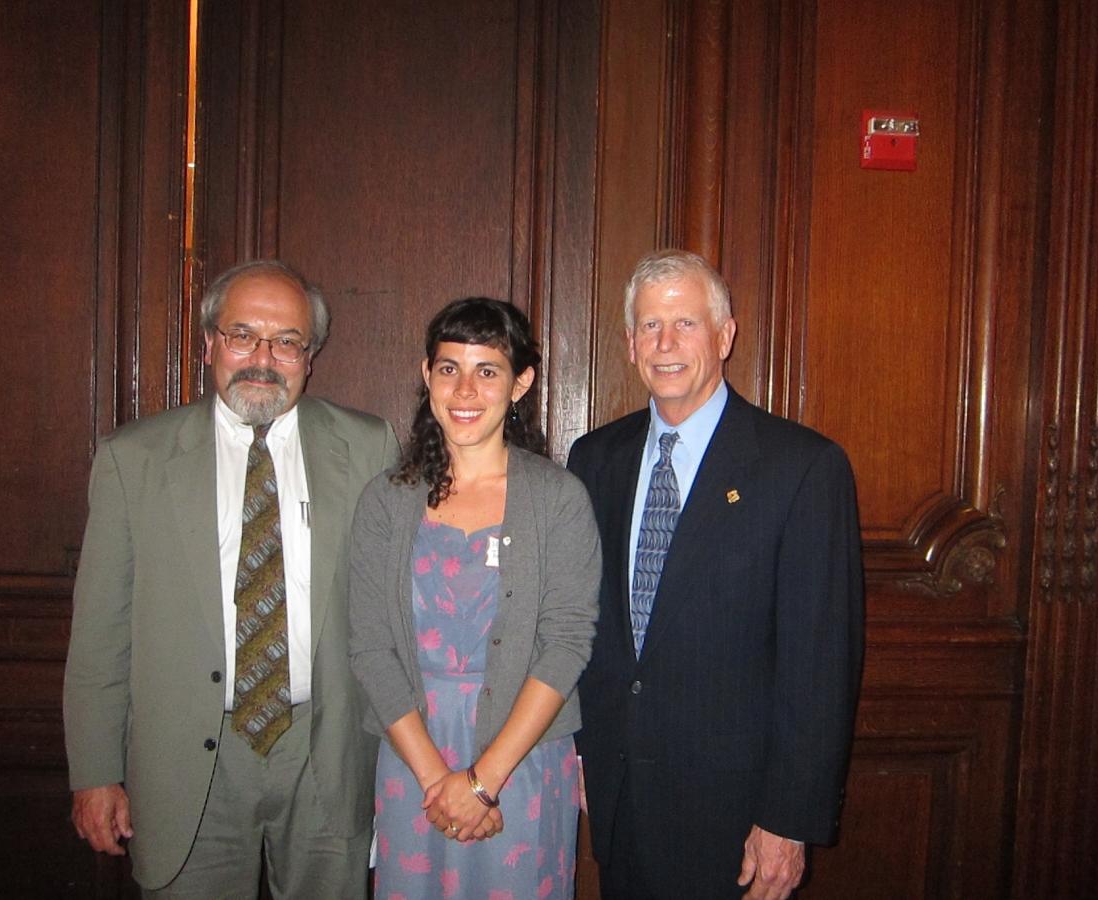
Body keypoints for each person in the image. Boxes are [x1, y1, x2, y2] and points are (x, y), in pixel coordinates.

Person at [63, 260, 399, 898]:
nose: (263, 358)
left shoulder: (368, 448)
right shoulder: (133, 460)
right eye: (243, 335)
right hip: (186, 762)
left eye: (287, 342)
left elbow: (394, 613)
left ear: (311, 355)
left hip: (324, 752)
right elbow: (99, 634)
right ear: (210, 343)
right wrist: (95, 772)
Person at [566, 250, 864, 900]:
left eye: (686, 324)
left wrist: (789, 819)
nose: (665, 344)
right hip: (619, 797)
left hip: (736, 814)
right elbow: (583, 624)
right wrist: (583, 749)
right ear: (629, 342)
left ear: (726, 335)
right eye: (649, 326)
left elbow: (819, 665)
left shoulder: (802, 468)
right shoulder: (594, 460)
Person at [349, 297, 600, 899]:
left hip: (523, 757)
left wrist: (483, 783)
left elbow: (565, 644)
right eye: (448, 368)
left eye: (487, 370)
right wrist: (440, 782)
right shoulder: (387, 499)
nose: (465, 389)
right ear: (426, 376)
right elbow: (369, 647)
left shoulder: (559, 499)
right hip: (415, 757)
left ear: (521, 383)